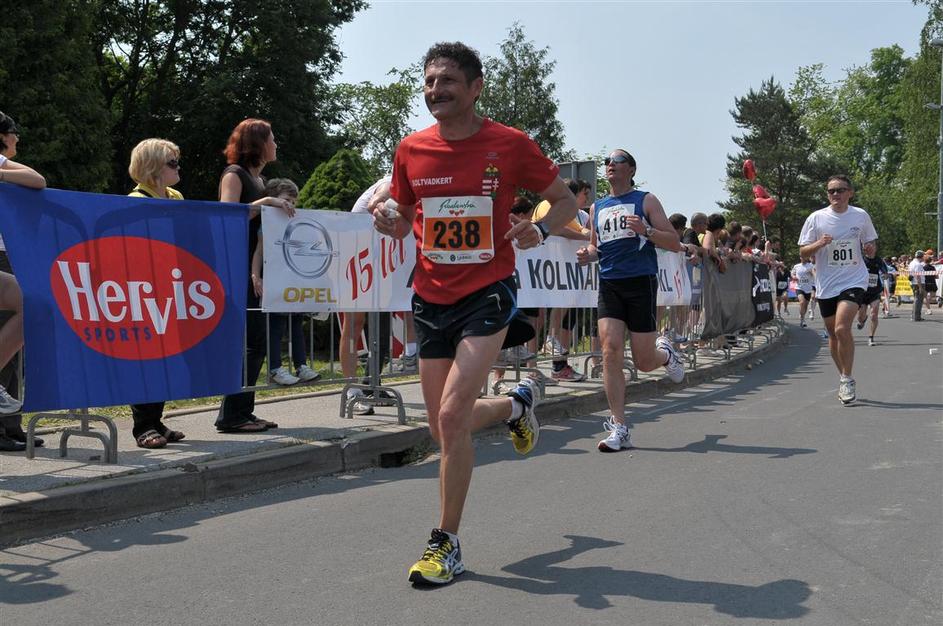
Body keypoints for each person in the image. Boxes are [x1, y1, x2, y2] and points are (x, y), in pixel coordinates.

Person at [372, 41, 578, 586]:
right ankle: (515, 405)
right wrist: (391, 223)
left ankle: (446, 543)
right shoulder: (411, 148)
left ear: (475, 87)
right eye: (429, 82)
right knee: (444, 426)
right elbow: (405, 216)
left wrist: (541, 227)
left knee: (450, 416)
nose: (435, 90)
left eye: (447, 81)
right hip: (430, 296)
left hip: (488, 291)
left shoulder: (509, 143)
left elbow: (565, 200)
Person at [576, 149, 685, 453]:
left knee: (644, 362)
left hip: (640, 283)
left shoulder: (646, 200)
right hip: (610, 284)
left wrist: (646, 230)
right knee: (610, 350)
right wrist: (587, 254)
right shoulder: (598, 206)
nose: (611, 164)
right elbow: (596, 247)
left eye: (618, 160)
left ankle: (665, 355)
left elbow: (673, 242)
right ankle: (619, 427)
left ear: (632, 169)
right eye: (608, 161)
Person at [215, 119, 295, 433]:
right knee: (250, 342)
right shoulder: (234, 174)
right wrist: (266, 203)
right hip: (237, 270)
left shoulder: (259, 180)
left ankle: (243, 411)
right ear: (258, 144)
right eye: (272, 139)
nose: (276, 144)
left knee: (257, 342)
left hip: (255, 272)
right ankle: (231, 415)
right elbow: (225, 216)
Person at [122, 138, 192, 449]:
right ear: (152, 168)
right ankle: (143, 426)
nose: (178, 167)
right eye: (172, 163)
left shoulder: (175, 196)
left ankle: (157, 420)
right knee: (146, 360)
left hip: (171, 286)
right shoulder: (135, 201)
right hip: (143, 290)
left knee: (165, 359)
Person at [798, 175, 877, 406]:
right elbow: (803, 253)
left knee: (842, 328)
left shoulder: (860, 215)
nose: (835, 194)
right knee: (833, 334)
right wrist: (819, 244)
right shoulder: (816, 218)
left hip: (854, 279)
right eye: (831, 191)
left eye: (840, 190)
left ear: (850, 192)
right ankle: (843, 375)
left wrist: (870, 249)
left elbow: (871, 245)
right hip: (826, 284)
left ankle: (847, 379)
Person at [0, 112, 46, 452]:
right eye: (13, 131)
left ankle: (10, 424)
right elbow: (37, 180)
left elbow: (36, 179)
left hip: (9, 252)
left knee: (15, 344)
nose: (17, 137)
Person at [249, 178, 321, 386]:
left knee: (297, 322)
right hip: (275, 280)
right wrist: (255, 275)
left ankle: (301, 365)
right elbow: (259, 251)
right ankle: (275, 367)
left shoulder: (296, 222)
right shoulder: (267, 223)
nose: (290, 204)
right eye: (286, 200)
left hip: (293, 281)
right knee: (277, 324)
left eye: (294, 201)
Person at [534, 178, 592, 382]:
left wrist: (590, 235)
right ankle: (537, 362)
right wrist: (585, 237)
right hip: (542, 265)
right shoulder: (548, 204)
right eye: (584, 194)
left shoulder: (569, 211)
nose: (587, 198)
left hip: (555, 266)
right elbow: (556, 229)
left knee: (562, 303)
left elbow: (580, 229)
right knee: (538, 316)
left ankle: (558, 363)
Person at [856, 246, 885, 347]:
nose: (870, 249)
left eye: (872, 247)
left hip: (875, 291)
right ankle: (862, 320)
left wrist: (885, 275)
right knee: (860, 317)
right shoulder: (861, 260)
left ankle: (871, 337)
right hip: (863, 292)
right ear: (864, 250)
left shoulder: (879, 260)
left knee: (874, 314)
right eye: (867, 248)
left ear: (875, 249)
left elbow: (885, 271)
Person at [792, 256, 815, 327]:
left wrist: (811, 273)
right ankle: (802, 319)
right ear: (800, 258)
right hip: (799, 287)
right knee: (802, 302)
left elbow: (814, 274)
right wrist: (793, 276)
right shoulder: (796, 266)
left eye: (805, 257)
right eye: (802, 257)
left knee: (805, 305)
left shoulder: (810, 266)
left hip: (808, 288)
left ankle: (803, 317)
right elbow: (792, 273)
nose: (803, 258)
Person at [908, 251, 926, 322]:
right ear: (922, 256)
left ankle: (914, 315)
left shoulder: (912, 263)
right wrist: (920, 287)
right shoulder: (918, 264)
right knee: (918, 300)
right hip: (918, 283)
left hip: (914, 283)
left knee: (916, 299)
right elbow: (918, 276)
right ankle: (916, 316)